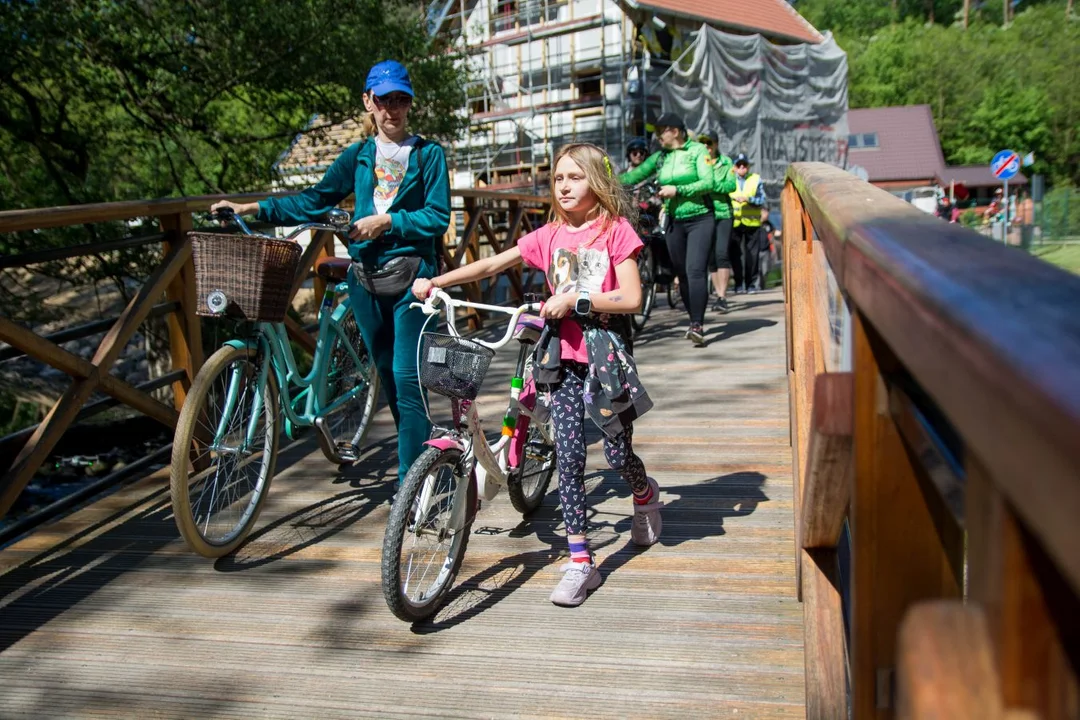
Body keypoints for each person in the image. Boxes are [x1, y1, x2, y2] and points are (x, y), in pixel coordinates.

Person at [412, 143, 662, 607]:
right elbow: (492, 263)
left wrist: (575, 301)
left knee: (615, 448)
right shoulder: (548, 235)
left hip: (604, 357)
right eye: (559, 178)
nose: (565, 186)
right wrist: (438, 282)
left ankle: (644, 492)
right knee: (568, 454)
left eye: (576, 177)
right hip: (558, 357)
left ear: (598, 182)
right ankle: (581, 562)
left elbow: (630, 298)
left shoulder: (616, 231)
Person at [211, 60, 450, 487]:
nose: (392, 110)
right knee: (388, 376)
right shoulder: (357, 156)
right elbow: (315, 200)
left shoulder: (429, 155)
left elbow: (437, 216)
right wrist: (255, 209)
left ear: (410, 103)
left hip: (413, 278)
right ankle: (420, 457)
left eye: (401, 100)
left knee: (406, 378)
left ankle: (410, 488)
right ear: (368, 102)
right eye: (383, 100)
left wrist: (388, 222)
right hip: (364, 279)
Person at [620, 113, 715, 345]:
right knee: (681, 272)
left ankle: (697, 324)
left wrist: (678, 190)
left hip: (701, 218)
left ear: (674, 131)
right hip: (674, 219)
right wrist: (601, 179)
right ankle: (693, 319)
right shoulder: (661, 157)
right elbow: (635, 175)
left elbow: (708, 182)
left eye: (660, 131)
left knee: (694, 271)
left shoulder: (698, 151)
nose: (657, 136)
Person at [698, 132, 737, 313]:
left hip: (723, 213)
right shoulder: (699, 161)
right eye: (703, 143)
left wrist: (711, 185)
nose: (707, 146)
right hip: (705, 213)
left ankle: (722, 296)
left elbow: (731, 186)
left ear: (716, 144)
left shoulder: (726, 162)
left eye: (710, 143)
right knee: (711, 257)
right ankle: (717, 295)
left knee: (722, 253)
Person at [730, 153, 767, 293]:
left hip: (752, 223)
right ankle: (738, 284)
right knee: (735, 255)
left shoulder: (756, 179)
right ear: (734, 167)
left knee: (752, 256)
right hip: (734, 222)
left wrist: (748, 199)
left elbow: (762, 199)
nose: (741, 168)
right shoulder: (729, 180)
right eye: (738, 165)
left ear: (748, 167)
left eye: (744, 165)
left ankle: (751, 284)